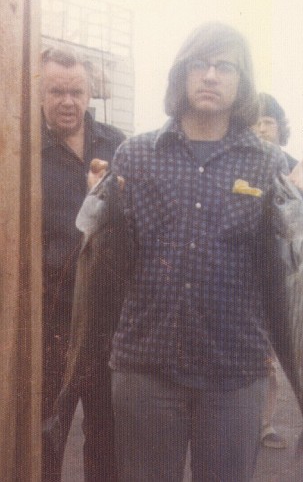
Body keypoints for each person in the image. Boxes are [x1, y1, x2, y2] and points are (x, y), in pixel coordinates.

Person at [89, 21, 298, 481]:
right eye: (199, 64)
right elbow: (114, 266)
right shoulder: (135, 155)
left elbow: (284, 270)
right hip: (146, 367)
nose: (210, 76)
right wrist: (105, 227)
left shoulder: (266, 162)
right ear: (181, 75)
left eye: (225, 66)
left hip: (234, 371)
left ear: (240, 82)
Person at [41, 46, 125, 481]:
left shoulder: (119, 146)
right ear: (40, 91)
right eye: (57, 91)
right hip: (47, 327)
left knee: (108, 441)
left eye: (76, 91)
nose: (68, 102)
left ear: (91, 93)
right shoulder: (18, 150)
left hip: (107, 323)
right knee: (42, 441)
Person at [252, 92, 303, 449]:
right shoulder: (240, 162)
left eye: (269, 122)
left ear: (280, 127)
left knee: (273, 356)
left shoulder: (290, 167)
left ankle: (266, 424)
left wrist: (302, 189)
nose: (262, 128)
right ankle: (248, 419)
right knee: (253, 352)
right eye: (256, 122)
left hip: (281, 273)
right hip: (247, 273)